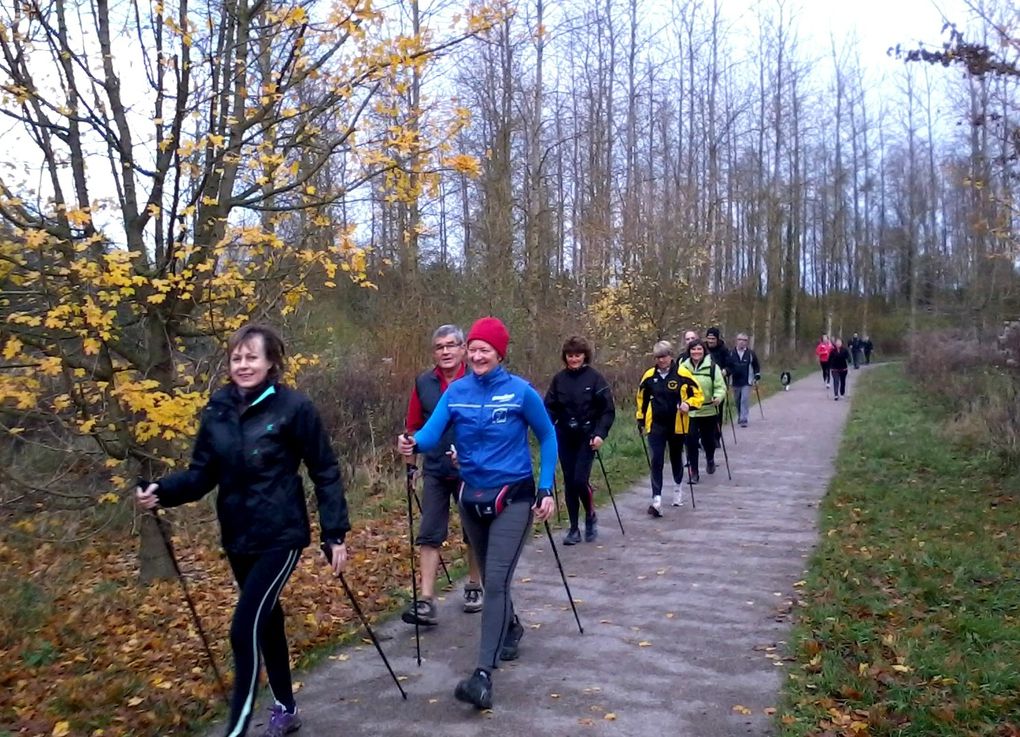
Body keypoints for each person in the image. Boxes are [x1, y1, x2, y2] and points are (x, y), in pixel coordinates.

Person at [136, 324, 350, 737]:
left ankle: (235, 729)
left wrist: (334, 532)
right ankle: (286, 708)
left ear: (271, 362)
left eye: (252, 357)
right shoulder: (217, 409)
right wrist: (161, 491)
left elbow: (324, 469)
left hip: (281, 535)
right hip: (238, 535)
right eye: (237, 357)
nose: (243, 364)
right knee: (266, 621)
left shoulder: (294, 408)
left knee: (243, 627)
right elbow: (201, 476)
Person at [396, 317, 556, 711]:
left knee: (496, 581)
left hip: (514, 498)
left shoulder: (520, 392)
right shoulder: (456, 393)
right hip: (472, 497)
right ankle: (511, 626)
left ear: (499, 353)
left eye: (487, 349)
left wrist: (546, 487)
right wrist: (411, 442)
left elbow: (548, 435)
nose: (478, 355)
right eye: (475, 349)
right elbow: (431, 435)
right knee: (490, 573)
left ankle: (482, 675)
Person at [401, 325, 484, 627]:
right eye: (439, 346)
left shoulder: (477, 379)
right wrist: (410, 464)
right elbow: (412, 427)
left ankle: (474, 586)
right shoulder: (424, 382)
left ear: (463, 349)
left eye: (452, 345)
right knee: (430, 532)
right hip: (435, 468)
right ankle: (426, 600)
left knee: (473, 529)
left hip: (471, 469)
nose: (446, 351)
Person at [544, 335, 616, 545]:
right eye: (570, 355)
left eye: (577, 355)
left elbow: (608, 411)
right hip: (565, 436)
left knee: (579, 480)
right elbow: (549, 407)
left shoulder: (595, 378)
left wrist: (600, 434)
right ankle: (574, 528)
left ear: (585, 356)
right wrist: (547, 427)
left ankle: (590, 515)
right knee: (569, 482)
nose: (573, 359)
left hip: (588, 437)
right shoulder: (559, 379)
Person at [636, 340, 703, 515]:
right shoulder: (649, 376)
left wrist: (689, 404)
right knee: (656, 459)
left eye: (664, 356)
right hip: (656, 424)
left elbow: (698, 395)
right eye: (658, 357)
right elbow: (641, 399)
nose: (661, 360)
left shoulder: (682, 374)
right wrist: (641, 419)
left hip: (678, 424)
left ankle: (677, 490)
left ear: (670, 356)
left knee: (675, 457)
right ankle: (656, 499)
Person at [679, 340, 727, 483]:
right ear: (689, 351)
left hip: (708, 409)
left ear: (704, 351)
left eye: (699, 349)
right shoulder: (682, 368)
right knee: (691, 442)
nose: (696, 352)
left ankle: (710, 459)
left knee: (708, 440)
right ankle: (694, 472)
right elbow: (676, 386)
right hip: (690, 411)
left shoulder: (713, 367)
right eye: (693, 350)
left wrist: (718, 397)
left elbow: (720, 386)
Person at [727, 333, 760, 427]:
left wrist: (757, 377)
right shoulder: (731, 353)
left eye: (744, 340)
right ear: (736, 340)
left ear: (747, 342)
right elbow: (727, 366)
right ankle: (739, 415)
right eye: (740, 339)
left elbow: (756, 366)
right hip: (735, 381)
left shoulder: (750, 353)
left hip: (747, 381)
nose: (742, 342)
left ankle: (743, 418)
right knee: (737, 400)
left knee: (744, 400)